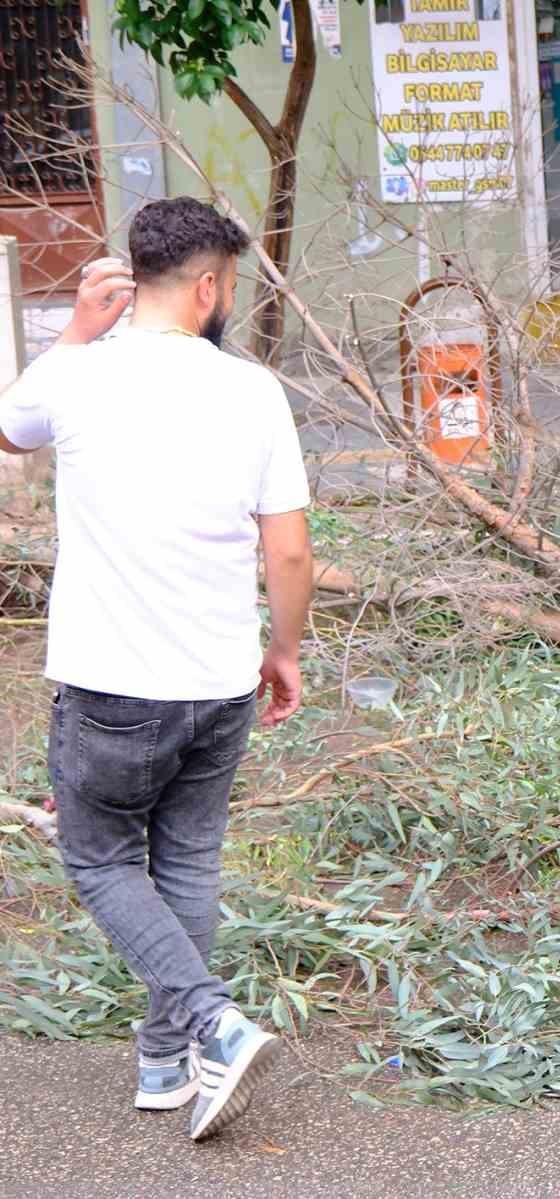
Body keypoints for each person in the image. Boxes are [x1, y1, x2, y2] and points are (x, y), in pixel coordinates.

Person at [0, 198, 313, 1137]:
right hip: (219, 683)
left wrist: (68, 333)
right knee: (184, 859)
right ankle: (164, 1060)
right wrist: (285, 650)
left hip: (109, 686)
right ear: (211, 285)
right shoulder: (252, 390)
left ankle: (211, 1025)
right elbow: (289, 552)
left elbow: (8, 431)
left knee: (97, 856)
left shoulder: (78, 380)